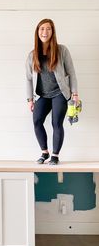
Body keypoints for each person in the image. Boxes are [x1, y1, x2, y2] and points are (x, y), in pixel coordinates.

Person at [26, 18, 79, 165]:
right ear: (37, 32)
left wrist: (74, 94)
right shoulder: (32, 55)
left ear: (52, 32)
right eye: (42, 29)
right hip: (42, 95)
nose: (45, 32)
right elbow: (28, 79)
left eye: (48, 29)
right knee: (37, 121)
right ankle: (44, 152)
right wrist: (30, 99)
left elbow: (72, 73)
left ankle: (55, 156)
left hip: (60, 93)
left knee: (56, 123)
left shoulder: (62, 50)